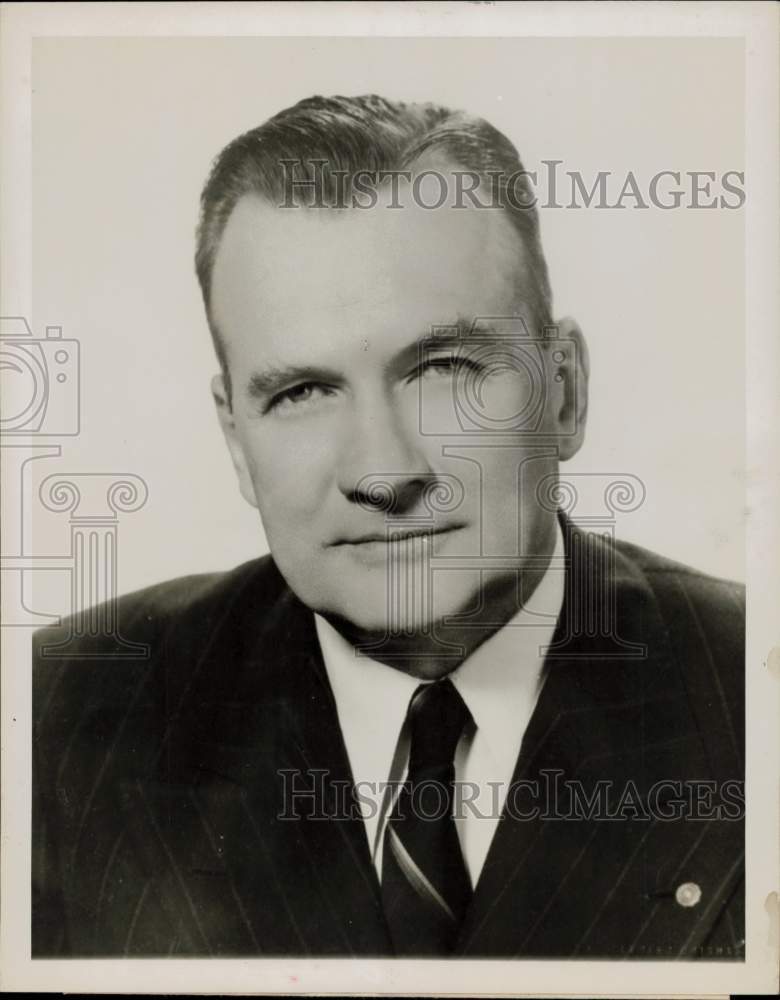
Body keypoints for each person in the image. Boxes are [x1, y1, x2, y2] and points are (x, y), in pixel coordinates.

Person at [32, 95, 744, 959]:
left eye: (442, 369)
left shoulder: (753, 695)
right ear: (234, 437)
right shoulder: (52, 726)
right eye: (301, 393)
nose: (384, 470)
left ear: (563, 390)